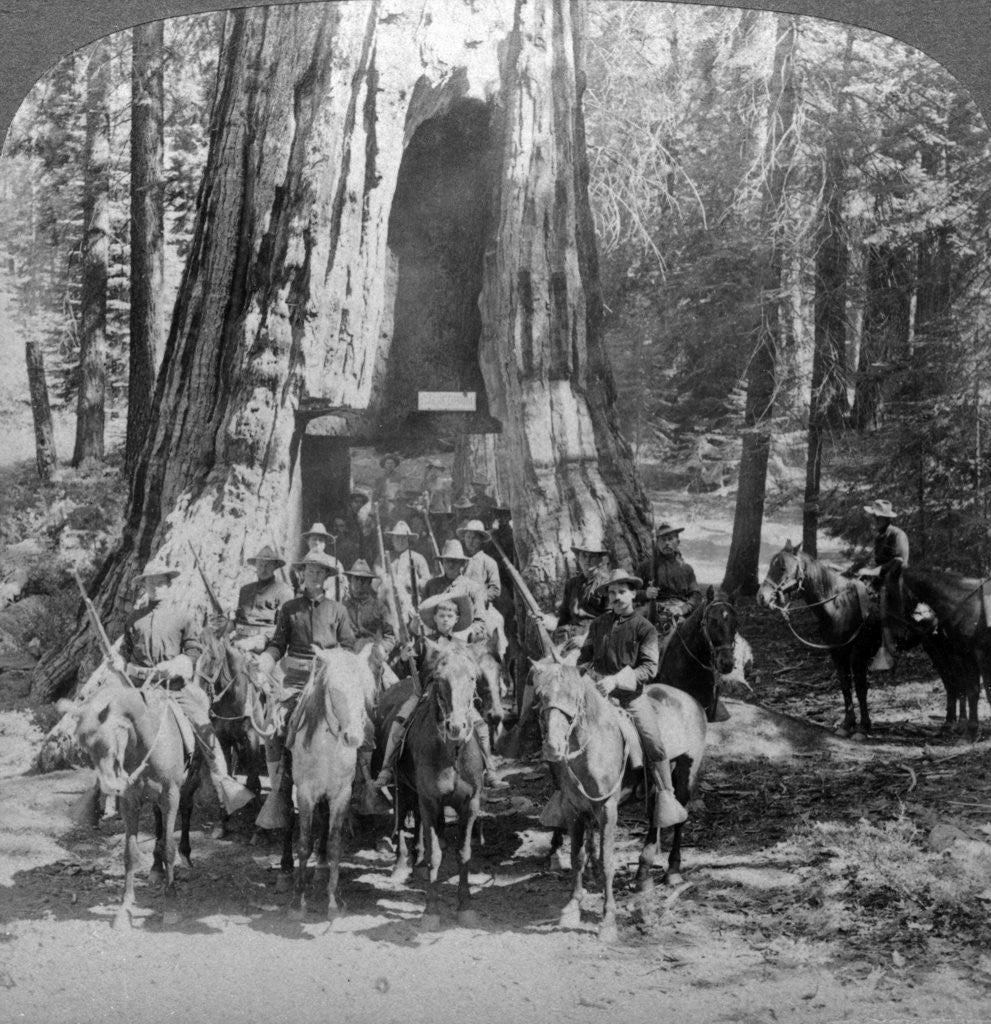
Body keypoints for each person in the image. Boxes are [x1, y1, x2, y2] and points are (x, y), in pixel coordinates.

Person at [108, 559, 254, 815]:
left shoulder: (182, 617)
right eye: (149, 584)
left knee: (203, 726)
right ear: (144, 586)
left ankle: (223, 784)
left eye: (159, 583)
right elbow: (126, 651)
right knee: (111, 726)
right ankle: (109, 788)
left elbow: (194, 650)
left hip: (173, 688)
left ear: (168, 585)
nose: (155, 588)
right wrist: (118, 661)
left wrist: (179, 662)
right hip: (140, 688)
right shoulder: (134, 618)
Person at [577, 568, 687, 828]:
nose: (616, 597)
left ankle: (665, 796)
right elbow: (585, 657)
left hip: (630, 696)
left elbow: (650, 668)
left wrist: (616, 680)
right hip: (597, 694)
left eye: (622, 592)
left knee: (652, 739)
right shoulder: (599, 624)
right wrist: (585, 673)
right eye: (612, 592)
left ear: (633, 594)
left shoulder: (644, 628)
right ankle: (563, 796)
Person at [255, 550, 357, 827]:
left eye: (320, 571)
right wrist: (267, 659)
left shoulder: (338, 610)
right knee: (272, 725)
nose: (314, 575)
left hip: (329, 677)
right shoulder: (289, 609)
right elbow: (278, 643)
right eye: (309, 570)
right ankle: (279, 786)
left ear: (326, 577)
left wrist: (331, 660)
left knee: (362, 726)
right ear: (301, 573)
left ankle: (360, 787)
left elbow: (348, 647)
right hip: (296, 681)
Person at [372, 593, 506, 790]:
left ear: (457, 619)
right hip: (423, 694)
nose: (445, 619)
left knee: (480, 726)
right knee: (399, 722)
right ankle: (387, 768)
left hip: (455, 700)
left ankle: (490, 769)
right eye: (441, 615)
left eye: (450, 616)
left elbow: (471, 674)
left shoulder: (462, 647)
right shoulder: (422, 643)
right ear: (434, 619)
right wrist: (403, 658)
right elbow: (404, 672)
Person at [851, 498, 910, 670]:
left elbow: (900, 561)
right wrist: (864, 571)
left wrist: (874, 572)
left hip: (897, 579)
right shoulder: (880, 537)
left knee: (884, 600)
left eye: (877, 517)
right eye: (874, 517)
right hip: (881, 578)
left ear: (886, 518)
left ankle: (889, 649)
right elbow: (876, 561)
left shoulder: (897, 534)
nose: (874, 521)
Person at [635, 522, 702, 634]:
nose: (667, 543)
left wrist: (683, 609)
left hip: (678, 610)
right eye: (663, 540)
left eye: (670, 539)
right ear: (656, 543)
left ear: (678, 542)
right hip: (650, 609)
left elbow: (696, 595)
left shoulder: (686, 569)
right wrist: (645, 594)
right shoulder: (645, 566)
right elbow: (630, 592)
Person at [420, 539, 489, 643]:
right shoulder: (431, 585)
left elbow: (480, 622)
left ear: (463, 563)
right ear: (442, 562)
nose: (451, 564)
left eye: (455, 561)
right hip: (436, 639)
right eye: (447, 560)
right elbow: (423, 614)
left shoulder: (473, 588)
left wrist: (465, 634)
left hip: (464, 641)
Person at [230, 545, 294, 654]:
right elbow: (238, 619)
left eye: (268, 565)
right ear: (255, 566)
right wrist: (224, 627)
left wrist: (261, 640)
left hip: (266, 643)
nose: (264, 568)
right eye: (260, 564)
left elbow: (283, 628)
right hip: (240, 639)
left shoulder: (284, 591)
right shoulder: (245, 590)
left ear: (274, 566)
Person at [376, 520, 431, 626]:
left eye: (403, 537)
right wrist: (383, 578)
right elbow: (375, 580)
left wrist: (412, 583)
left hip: (410, 602)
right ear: (392, 539)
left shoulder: (417, 558)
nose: (400, 541)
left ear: (409, 539)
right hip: (388, 604)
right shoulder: (383, 558)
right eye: (397, 537)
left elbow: (427, 583)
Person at [556, 539, 611, 637]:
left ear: (600, 560)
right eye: (584, 556)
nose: (587, 560)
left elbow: (610, 618)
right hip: (572, 634)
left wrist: (585, 639)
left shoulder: (606, 583)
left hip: (595, 636)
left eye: (592, 556)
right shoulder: (572, 584)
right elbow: (564, 614)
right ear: (578, 558)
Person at [294, 522, 348, 600]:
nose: (317, 542)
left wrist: (329, 596)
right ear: (308, 542)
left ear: (325, 544)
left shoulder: (334, 563)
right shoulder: (301, 564)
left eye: (321, 540)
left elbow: (344, 586)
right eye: (314, 539)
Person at [457, 519, 501, 606]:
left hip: (480, 606)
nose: (470, 541)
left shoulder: (489, 562)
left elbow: (495, 589)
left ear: (481, 540)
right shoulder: (459, 559)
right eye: (468, 537)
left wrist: (480, 599)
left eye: (474, 538)